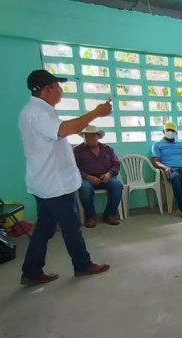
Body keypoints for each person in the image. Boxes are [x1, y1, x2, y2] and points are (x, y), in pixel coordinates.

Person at [18, 69, 111, 286]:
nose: (60, 91)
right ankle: (82, 265)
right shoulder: (39, 113)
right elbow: (64, 130)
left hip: (44, 182)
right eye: (58, 87)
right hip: (54, 184)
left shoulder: (34, 111)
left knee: (44, 228)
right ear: (47, 89)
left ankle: (31, 271)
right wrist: (96, 112)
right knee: (71, 227)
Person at [73, 125, 123, 228]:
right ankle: (90, 217)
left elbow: (116, 164)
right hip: (87, 179)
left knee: (117, 185)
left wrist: (109, 174)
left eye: (93, 136)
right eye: (87, 137)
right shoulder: (77, 150)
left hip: (106, 177)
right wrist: (87, 176)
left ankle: (109, 215)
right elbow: (74, 168)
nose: (90, 139)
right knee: (85, 189)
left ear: (98, 137)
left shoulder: (107, 149)